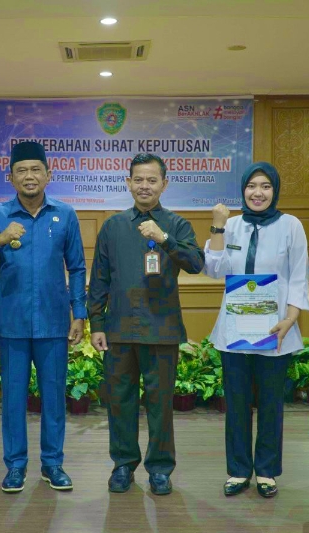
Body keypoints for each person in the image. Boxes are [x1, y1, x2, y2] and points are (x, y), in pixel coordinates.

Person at [0, 141, 86, 493]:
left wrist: (79, 313)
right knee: (13, 399)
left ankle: (53, 464)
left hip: (53, 322)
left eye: (36, 170)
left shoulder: (65, 214)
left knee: (54, 397)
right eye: (21, 170)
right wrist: (0, 240)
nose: (29, 176)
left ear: (49, 175)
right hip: (14, 323)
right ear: (10, 177)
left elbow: (77, 267)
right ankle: (16, 466)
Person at [88, 153, 205, 496]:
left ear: (164, 184)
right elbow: (100, 278)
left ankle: (160, 468)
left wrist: (164, 238)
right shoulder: (113, 226)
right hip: (119, 328)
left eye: (152, 180)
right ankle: (123, 465)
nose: (144, 186)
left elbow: (196, 263)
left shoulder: (177, 225)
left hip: (161, 329)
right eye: (138, 179)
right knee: (119, 402)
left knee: (160, 404)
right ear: (128, 183)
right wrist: (97, 322)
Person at [203, 162, 309, 498]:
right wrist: (217, 227)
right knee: (236, 404)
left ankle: (266, 471)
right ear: (243, 190)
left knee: (270, 404)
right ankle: (238, 471)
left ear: (275, 190)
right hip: (234, 332)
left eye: (265, 186)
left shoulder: (290, 225)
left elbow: (299, 277)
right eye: (251, 186)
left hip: (275, 330)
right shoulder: (231, 225)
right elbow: (213, 270)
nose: (258, 193)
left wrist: (290, 319)